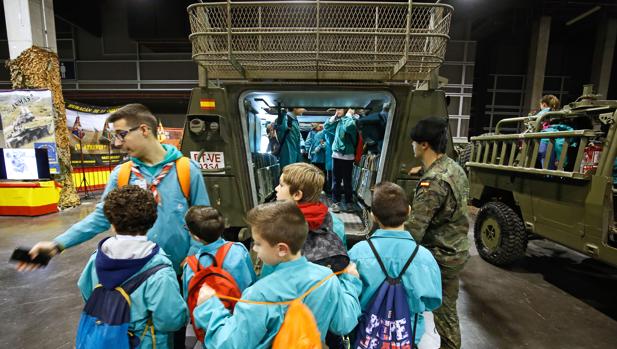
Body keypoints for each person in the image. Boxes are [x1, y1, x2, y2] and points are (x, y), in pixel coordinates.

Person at [18, 103, 210, 274]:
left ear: (144, 129)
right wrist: (57, 245)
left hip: (182, 271)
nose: (117, 143)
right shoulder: (122, 174)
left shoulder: (186, 170)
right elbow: (101, 216)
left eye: (121, 134)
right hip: (136, 273)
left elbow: (202, 222)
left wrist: (194, 256)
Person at [192, 201, 362, 349]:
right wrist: (351, 282)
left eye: (258, 244)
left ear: (281, 249)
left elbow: (230, 344)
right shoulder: (327, 278)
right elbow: (343, 323)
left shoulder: (258, 294)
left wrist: (209, 307)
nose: (255, 249)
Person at [77, 185, 188, 349]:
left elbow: (87, 290)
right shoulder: (159, 271)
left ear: (112, 223)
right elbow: (170, 320)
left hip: (105, 337)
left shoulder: (96, 259)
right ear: (152, 221)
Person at [349, 181, 442, 346]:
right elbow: (431, 302)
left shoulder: (358, 253)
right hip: (409, 337)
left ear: (373, 216)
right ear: (409, 211)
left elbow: (349, 297)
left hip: (366, 336)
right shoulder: (425, 258)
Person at [405, 116, 470, 349]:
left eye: (415, 142)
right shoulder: (453, 168)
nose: (412, 146)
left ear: (424, 145)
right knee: (447, 309)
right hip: (455, 249)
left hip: (440, 257)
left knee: (444, 316)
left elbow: (415, 231)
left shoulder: (432, 182)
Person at [182, 205, 256, 300]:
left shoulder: (190, 266)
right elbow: (252, 284)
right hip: (242, 309)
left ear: (196, 237)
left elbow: (188, 300)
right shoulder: (238, 250)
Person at [275, 162, 346, 248]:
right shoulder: (335, 222)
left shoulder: (280, 226)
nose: (276, 188)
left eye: (281, 185)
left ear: (297, 194)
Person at [324, 108, 358, 213]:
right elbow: (326, 127)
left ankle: (348, 202)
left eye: (340, 109)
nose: (338, 110)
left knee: (347, 181)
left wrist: (348, 115)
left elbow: (349, 127)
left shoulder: (352, 120)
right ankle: (336, 202)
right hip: (336, 155)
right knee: (336, 181)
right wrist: (335, 116)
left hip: (348, 155)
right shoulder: (338, 122)